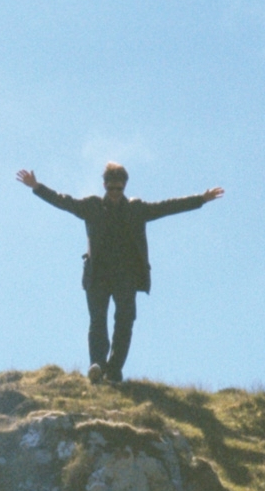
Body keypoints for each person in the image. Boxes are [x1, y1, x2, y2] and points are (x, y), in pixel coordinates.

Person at [17, 163, 223, 383]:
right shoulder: (92, 206)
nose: (115, 193)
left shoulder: (137, 209)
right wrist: (37, 187)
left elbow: (168, 207)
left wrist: (200, 199)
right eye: (111, 188)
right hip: (97, 274)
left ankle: (114, 370)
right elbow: (64, 201)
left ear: (124, 187)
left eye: (119, 189)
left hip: (126, 276)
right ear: (104, 185)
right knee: (98, 320)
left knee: (124, 321)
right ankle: (96, 364)